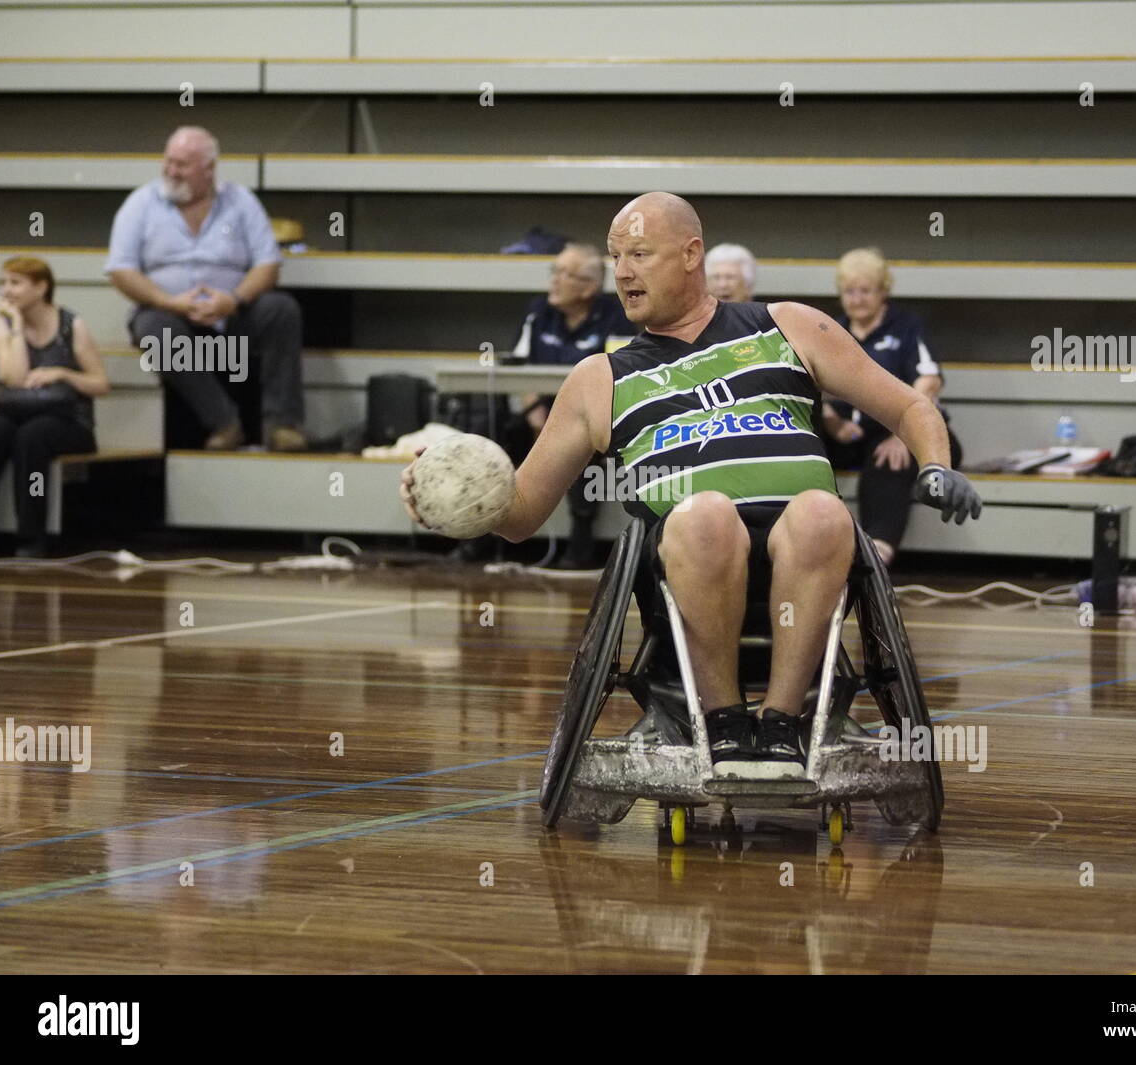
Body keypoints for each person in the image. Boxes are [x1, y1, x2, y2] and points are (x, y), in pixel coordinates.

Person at [403, 192, 980, 776]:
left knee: (823, 512)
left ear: (690, 254)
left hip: (808, 547)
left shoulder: (788, 325)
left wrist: (935, 465)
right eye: (615, 257)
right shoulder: (598, 378)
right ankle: (723, 723)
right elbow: (521, 512)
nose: (622, 272)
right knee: (706, 512)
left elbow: (909, 406)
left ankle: (783, 726)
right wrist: (450, 498)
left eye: (639, 254)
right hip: (685, 557)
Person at [105, 125, 308, 451]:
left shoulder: (241, 202)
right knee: (154, 327)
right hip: (169, 314)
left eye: (182, 165)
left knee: (281, 308)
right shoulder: (141, 203)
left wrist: (234, 300)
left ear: (209, 169)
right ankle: (224, 423)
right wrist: (168, 301)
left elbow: (268, 264)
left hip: (233, 314)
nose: (171, 171)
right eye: (168, 161)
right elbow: (120, 269)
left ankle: (284, 424)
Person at [819, 248, 963, 566]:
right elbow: (813, 387)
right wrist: (831, 423)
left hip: (901, 429)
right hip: (850, 434)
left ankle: (877, 550)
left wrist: (904, 431)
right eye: (849, 292)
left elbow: (929, 380)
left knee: (890, 457)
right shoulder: (832, 331)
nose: (857, 299)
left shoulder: (906, 327)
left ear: (883, 291)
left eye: (865, 291)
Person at [506, 242, 632, 568]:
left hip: (594, 413)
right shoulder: (538, 312)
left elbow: (619, 376)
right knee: (492, 429)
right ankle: (480, 538)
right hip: (539, 410)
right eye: (555, 271)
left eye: (566, 274)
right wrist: (535, 412)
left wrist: (570, 420)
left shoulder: (617, 317)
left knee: (584, 442)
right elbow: (517, 370)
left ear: (590, 287)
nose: (555, 280)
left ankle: (580, 542)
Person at [0, 256, 109, 557]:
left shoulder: (71, 325)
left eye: (16, 283)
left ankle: (31, 537)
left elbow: (100, 384)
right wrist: (16, 326)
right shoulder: (0, 327)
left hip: (70, 421)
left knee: (32, 436)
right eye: (5, 282)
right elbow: (15, 378)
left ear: (41, 288)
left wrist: (63, 373)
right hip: (18, 413)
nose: (7, 290)